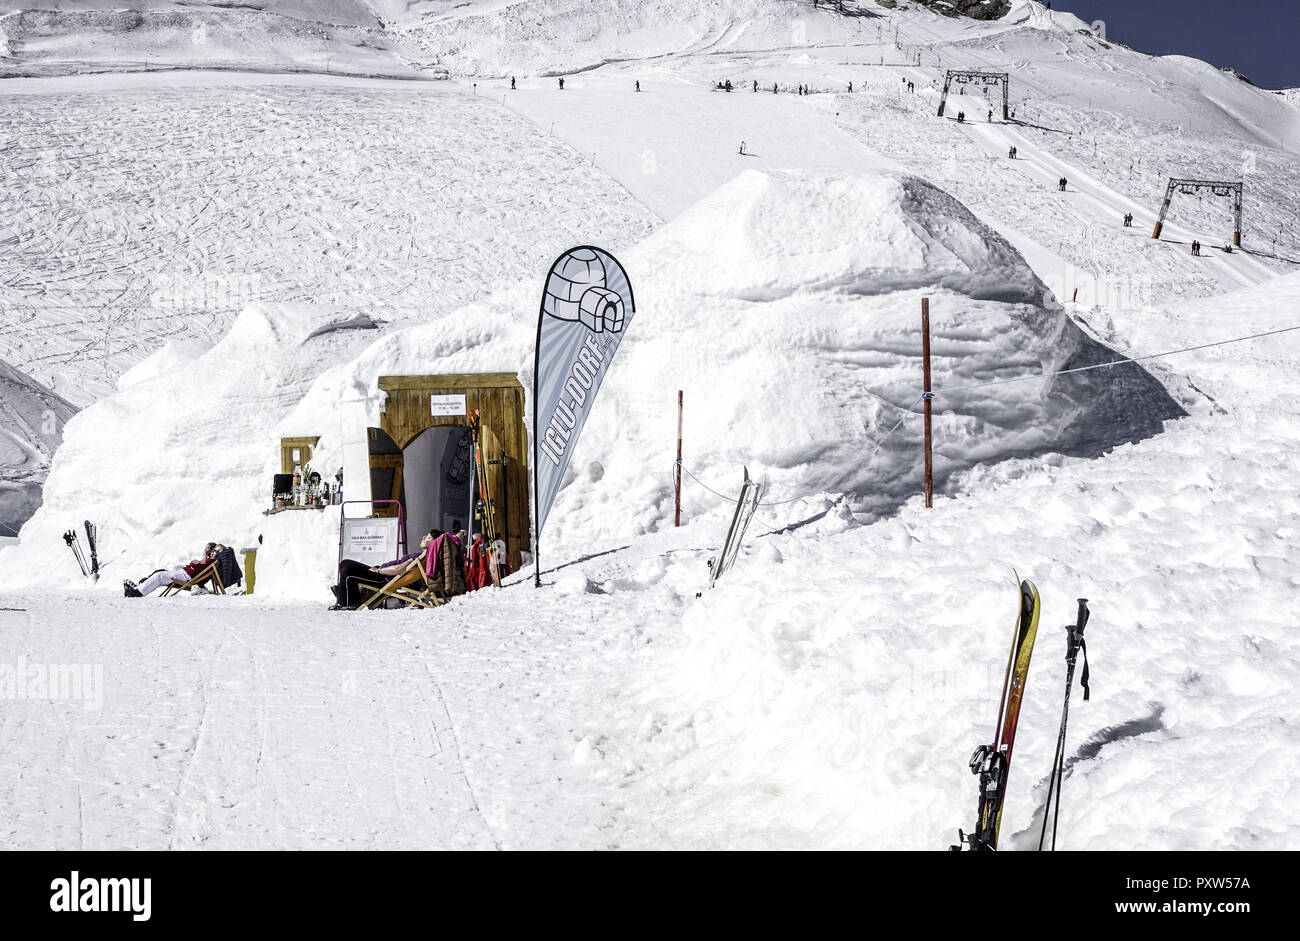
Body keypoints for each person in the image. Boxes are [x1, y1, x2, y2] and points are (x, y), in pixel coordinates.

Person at [332, 530, 438, 609]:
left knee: (347, 570)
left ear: (432, 544)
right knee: (345, 563)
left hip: (383, 578)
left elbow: (397, 569)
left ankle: (347, 602)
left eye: (428, 537)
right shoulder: (420, 556)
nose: (423, 537)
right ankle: (348, 596)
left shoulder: (418, 558)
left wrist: (378, 571)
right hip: (382, 573)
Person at [125, 543, 222, 597]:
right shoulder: (210, 560)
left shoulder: (210, 561)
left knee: (159, 576)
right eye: (213, 550)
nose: (212, 551)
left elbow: (194, 563)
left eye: (215, 550)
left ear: (219, 553)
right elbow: (197, 565)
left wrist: (195, 561)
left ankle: (137, 593)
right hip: (184, 574)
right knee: (159, 572)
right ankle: (138, 588)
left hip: (185, 577)